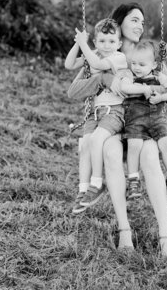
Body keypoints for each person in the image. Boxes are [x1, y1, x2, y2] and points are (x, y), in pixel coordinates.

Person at [68, 3, 167, 257]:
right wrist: (103, 79)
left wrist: (152, 84)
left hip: (140, 124)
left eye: (143, 21)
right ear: (120, 23)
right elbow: (76, 90)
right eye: (135, 20)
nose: (140, 25)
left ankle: (165, 235)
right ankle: (124, 230)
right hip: (113, 122)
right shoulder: (106, 51)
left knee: (150, 157)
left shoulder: (149, 53)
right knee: (110, 153)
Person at [65, 18, 128, 210]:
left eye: (111, 42)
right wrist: (78, 43)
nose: (106, 46)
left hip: (114, 112)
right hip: (95, 112)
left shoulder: (118, 58)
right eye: (101, 41)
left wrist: (85, 45)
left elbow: (98, 65)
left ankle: (97, 183)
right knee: (85, 146)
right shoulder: (93, 53)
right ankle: (83, 190)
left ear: (118, 44)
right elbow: (69, 64)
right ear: (96, 42)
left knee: (95, 140)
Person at [119, 40, 167, 200]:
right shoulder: (130, 76)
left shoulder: (159, 76)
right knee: (134, 146)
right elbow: (124, 88)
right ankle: (133, 180)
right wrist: (144, 89)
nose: (136, 67)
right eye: (133, 63)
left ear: (154, 64)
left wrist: (161, 97)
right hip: (135, 120)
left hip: (157, 119)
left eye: (141, 64)